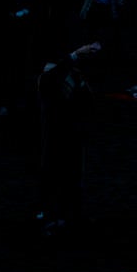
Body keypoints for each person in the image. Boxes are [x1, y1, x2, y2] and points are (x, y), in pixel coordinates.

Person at [36, 41, 100, 239]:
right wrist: (74, 57)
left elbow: (88, 102)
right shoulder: (49, 77)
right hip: (56, 134)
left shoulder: (71, 74)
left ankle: (71, 216)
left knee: (73, 177)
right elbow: (51, 81)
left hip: (72, 132)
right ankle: (53, 217)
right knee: (55, 175)